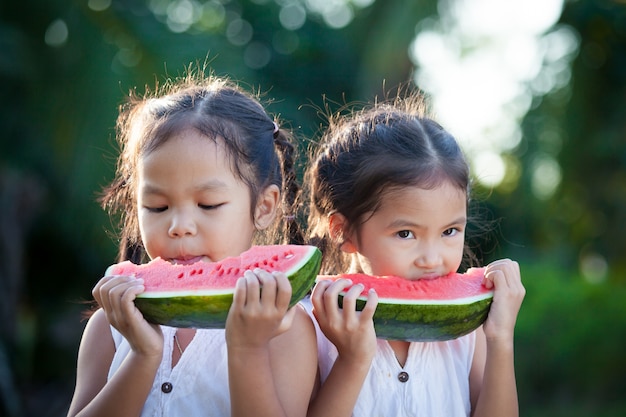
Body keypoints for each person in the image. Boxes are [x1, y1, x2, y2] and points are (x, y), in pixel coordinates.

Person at [66, 70, 317, 417]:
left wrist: (247, 349)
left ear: (264, 206)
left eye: (208, 204)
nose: (179, 226)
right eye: (157, 207)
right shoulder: (109, 329)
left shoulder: (286, 331)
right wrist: (143, 355)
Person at [304, 92, 526, 417]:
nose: (432, 258)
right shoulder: (310, 328)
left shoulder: (468, 333)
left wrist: (501, 338)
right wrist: (352, 359)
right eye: (406, 234)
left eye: (450, 231)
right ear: (343, 232)